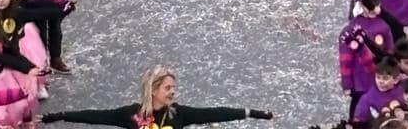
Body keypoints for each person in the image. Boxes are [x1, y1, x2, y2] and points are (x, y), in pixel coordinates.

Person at [39, 64, 273, 128]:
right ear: (153, 90)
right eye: (168, 88)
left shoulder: (180, 114)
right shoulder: (131, 114)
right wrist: (58, 116)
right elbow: (96, 116)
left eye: (173, 87)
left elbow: (215, 113)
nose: (173, 92)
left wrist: (252, 113)